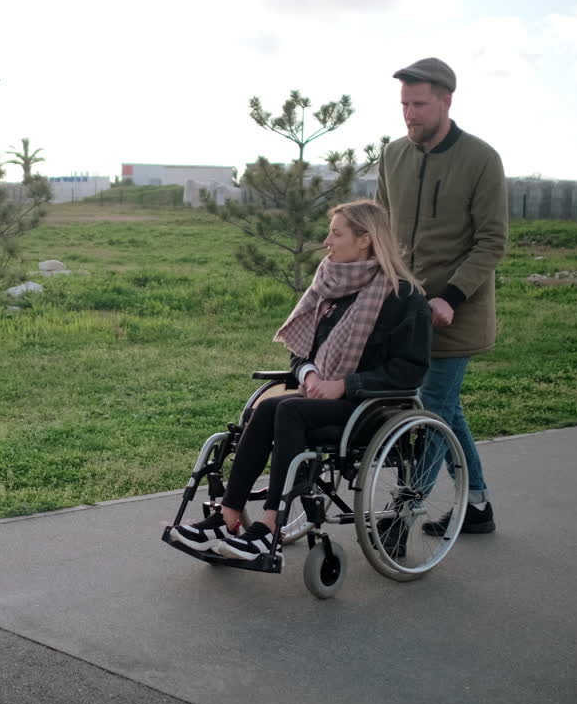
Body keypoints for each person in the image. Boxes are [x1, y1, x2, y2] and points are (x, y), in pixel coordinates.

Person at [170, 199, 431, 561]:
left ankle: (269, 528)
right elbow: (300, 349)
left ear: (365, 239)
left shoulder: (404, 297)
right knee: (267, 409)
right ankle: (227, 518)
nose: (327, 241)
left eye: (336, 233)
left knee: (288, 411)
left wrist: (344, 385)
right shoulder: (329, 286)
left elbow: (411, 370)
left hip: (370, 407)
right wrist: (308, 373)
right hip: (321, 399)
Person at [376, 57, 508, 534]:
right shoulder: (392, 155)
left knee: (429, 411)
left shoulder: (480, 159)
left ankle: (403, 513)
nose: (409, 114)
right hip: (406, 312)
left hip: (457, 314)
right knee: (446, 410)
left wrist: (450, 296)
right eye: (404, 104)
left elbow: (492, 241)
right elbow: (382, 230)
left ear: (446, 100)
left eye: (419, 104)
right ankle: (477, 506)